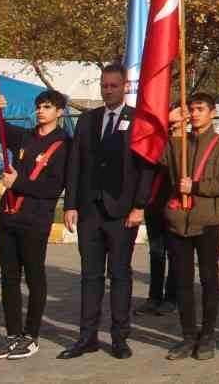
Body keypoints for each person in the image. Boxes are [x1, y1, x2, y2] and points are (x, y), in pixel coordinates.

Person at [61, 63, 153, 360]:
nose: (108, 90)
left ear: (125, 87)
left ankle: (119, 337)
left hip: (122, 212)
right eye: (104, 85)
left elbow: (145, 168)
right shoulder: (88, 120)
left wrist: (139, 206)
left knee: (120, 275)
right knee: (90, 277)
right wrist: (71, 204)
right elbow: (75, 164)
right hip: (89, 211)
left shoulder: (138, 120)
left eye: (114, 85)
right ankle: (86, 337)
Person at [0, 89, 71, 360]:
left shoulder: (64, 145)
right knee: (10, 279)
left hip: (35, 221)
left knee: (35, 278)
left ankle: (30, 336)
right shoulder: (25, 137)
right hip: (8, 218)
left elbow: (52, 187)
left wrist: (17, 183)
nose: (40, 111)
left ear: (59, 111)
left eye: (47, 107)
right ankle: (12, 335)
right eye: (38, 106)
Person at [159, 92, 219, 361]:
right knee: (182, 281)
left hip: (207, 222)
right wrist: (171, 126)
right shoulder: (178, 143)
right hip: (179, 221)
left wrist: (196, 187)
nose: (194, 114)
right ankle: (187, 335)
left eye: (200, 109)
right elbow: (158, 161)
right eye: (191, 109)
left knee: (208, 279)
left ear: (212, 112)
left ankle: (208, 335)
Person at [135, 104, 183, 319]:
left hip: (177, 206)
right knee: (156, 252)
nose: (175, 121)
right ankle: (154, 296)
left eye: (180, 115)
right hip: (155, 203)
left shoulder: (188, 144)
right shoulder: (158, 140)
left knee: (175, 253)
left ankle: (171, 297)